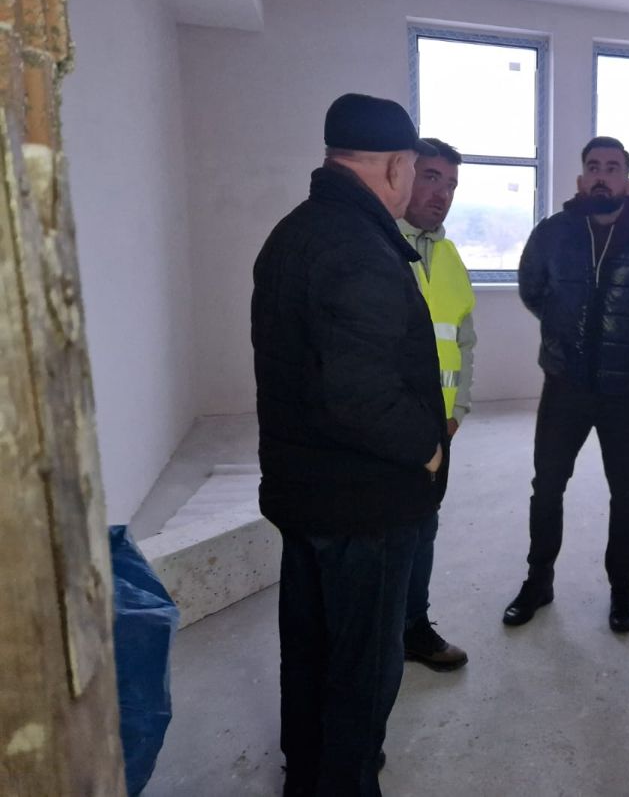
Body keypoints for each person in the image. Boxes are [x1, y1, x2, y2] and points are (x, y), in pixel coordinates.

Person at [251, 93, 447, 796]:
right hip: (363, 506)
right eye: (415, 168)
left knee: (311, 652)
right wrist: (427, 448)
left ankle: (307, 776)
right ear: (395, 166)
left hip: (307, 492)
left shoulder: (296, 232)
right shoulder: (359, 250)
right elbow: (358, 397)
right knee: (362, 671)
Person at [506, 137, 629, 632]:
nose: (602, 176)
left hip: (624, 389)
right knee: (547, 486)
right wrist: (563, 330)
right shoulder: (554, 233)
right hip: (564, 382)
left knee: (624, 491)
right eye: (593, 167)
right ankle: (538, 582)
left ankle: (622, 589)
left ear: (627, 182)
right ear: (580, 179)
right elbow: (532, 289)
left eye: (612, 167)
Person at [397, 137, 474, 672]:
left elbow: (464, 341)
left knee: (424, 528)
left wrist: (457, 412)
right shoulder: (378, 248)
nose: (442, 194)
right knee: (387, 536)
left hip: (437, 428)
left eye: (450, 185)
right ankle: (382, 635)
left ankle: (413, 628)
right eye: (431, 178)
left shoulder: (448, 256)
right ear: (403, 175)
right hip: (387, 428)